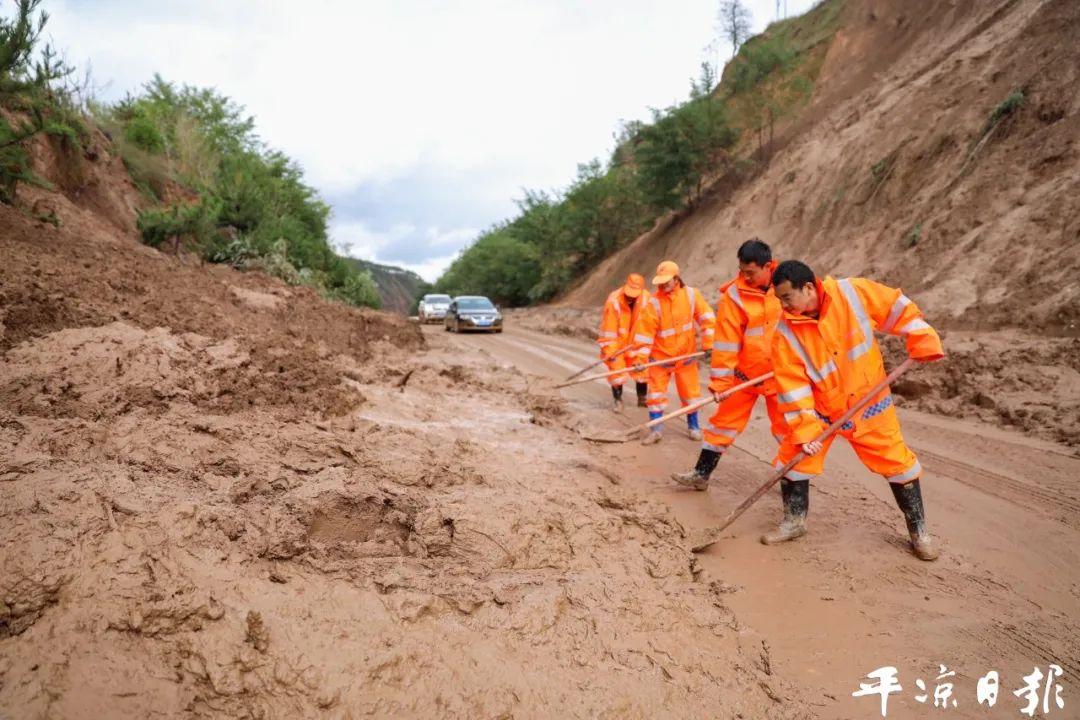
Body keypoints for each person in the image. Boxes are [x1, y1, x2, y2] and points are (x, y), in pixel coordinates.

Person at [766, 260, 945, 560]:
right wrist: (807, 430)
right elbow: (792, 388)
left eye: (786, 297)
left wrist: (921, 337)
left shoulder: (853, 294)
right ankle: (794, 522)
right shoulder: (785, 333)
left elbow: (897, 308)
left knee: (899, 465)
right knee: (794, 459)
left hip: (870, 405)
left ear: (808, 287)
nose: (782, 305)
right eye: (779, 299)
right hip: (823, 412)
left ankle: (920, 533)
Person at [672, 239, 788, 490]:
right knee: (722, 425)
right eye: (742, 271)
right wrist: (721, 382)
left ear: (768, 266)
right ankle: (701, 474)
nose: (745, 277)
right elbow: (726, 342)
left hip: (782, 376)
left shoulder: (787, 285)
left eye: (751, 272)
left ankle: (793, 481)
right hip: (744, 376)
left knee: (788, 431)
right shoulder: (735, 295)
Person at [631, 260, 715, 445]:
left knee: (691, 395)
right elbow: (645, 335)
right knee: (655, 396)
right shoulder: (654, 303)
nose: (662, 286)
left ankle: (693, 427)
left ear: (677, 278)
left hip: (686, 359)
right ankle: (656, 430)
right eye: (660, 282)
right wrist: (640, 358)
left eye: (666, 282)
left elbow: (707, 318)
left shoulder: (692, 295)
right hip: (660, 360)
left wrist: (709, 343)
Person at [597, 273, 651, 413]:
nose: (631, 297)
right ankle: (618, 400)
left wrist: (641, 353)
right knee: (617, 371)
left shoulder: (647, 300)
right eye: (629, 294)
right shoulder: (614, 301)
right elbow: (609, 331)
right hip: (616, 344)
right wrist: (611, 352)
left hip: (637, 342)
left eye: (634, 295)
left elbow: (648, 328)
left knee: (642, 368)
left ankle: (642, 398)